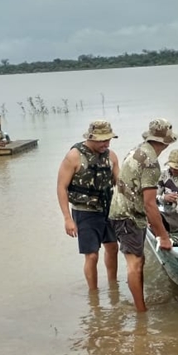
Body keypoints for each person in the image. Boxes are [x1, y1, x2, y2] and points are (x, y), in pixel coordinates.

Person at [109, 118, 176, 312]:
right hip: (127, 215)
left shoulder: (136, 150)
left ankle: (138, 306)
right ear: (166, 142)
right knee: (135, 264)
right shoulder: (151, 163)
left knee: (138, 260)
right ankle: (141, 312)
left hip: (123, 211)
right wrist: (163, 236)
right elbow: (150, 203)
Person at [56, 120, 121, 290]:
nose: (106, 144)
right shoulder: (74, 156)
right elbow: (61, 187)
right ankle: (94, 294)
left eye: (108, 140)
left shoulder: (111, 156)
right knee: (92, 256)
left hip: (108, 209)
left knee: (113, 248)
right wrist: (67, 219)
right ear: (91, 138)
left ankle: (113, 287)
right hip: (84, 211)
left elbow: (120, 185)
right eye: (102, 140)